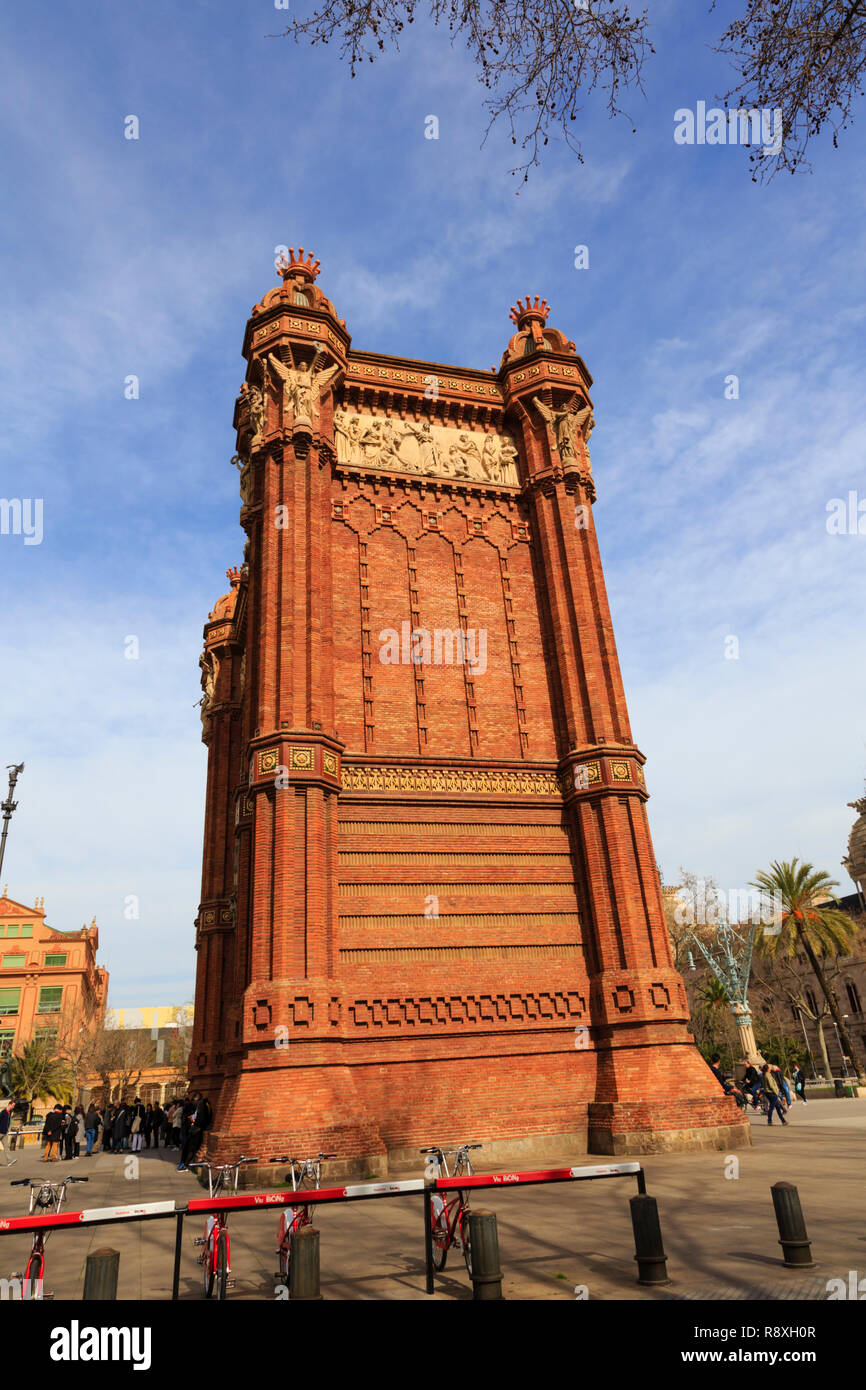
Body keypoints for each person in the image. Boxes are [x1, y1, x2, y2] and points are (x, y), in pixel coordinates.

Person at [178, 1093, 213, 1172]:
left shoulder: (202, 1105)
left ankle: (185, 1164)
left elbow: (202, 1118)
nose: (194, 1102)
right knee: (189, 1147)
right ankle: (184, 1163)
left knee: (191, 1148)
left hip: (197, 1129)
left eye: (194, 1101)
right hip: (196, 1128)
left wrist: (194, 1121)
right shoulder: (201, 1105)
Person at [0, 1099, 17, 1167]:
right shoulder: (3, 1112)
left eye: (14, 1106)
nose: (13, 1107)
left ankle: (9, 1161)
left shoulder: (9, 1113)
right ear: (9, 1105)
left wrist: (7, 1130)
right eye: (13, 1105)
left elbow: (8, 1123)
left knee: (6, 1147)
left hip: (5, 1133)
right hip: (0, 1132)